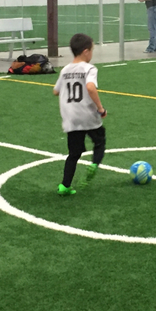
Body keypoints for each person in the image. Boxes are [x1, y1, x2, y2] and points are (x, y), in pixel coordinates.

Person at [52, 33, 107, 196]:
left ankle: (65, 186)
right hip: (87, 114)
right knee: (99, 141)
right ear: (85, 51)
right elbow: (90, 87)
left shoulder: (65, 70)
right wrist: (100, 108)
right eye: (92, 50)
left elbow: (56, 91)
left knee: (74, 153)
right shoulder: (89, 69)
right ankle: (94, 164)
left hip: (71, 117)